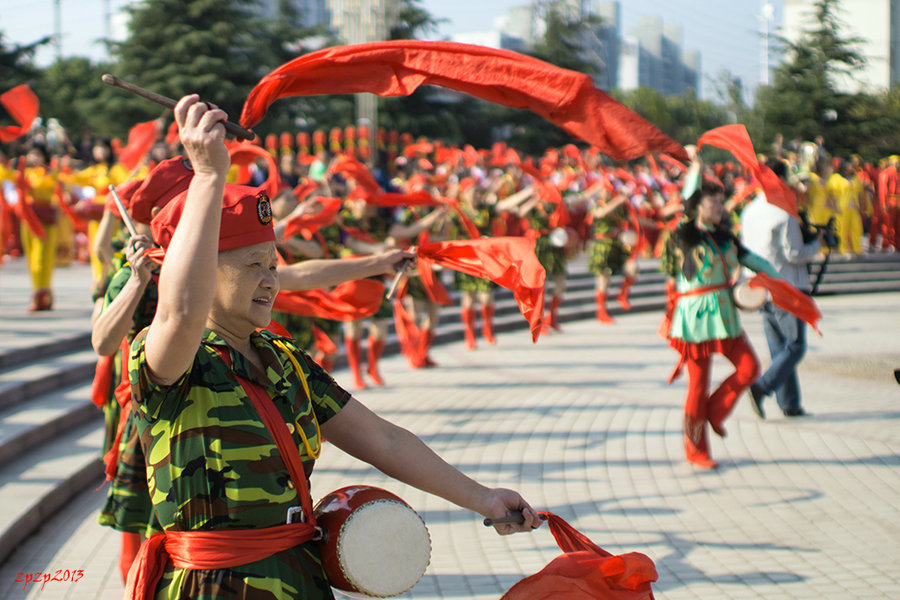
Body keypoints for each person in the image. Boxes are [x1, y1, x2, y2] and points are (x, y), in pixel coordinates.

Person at [125, 96, 541, 598]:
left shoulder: (285, 362)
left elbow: (385, 442)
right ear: (201, 271)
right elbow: (180, 313)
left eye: (273, 266)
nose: (271, 281)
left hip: (300, 581)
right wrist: (209, 176)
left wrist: (484, 498)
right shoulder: (173, 360)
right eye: (252, 265)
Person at [661, 158, 783, 470]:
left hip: (725, 314)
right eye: (712, 202)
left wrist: (784, 286)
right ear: (698, 206)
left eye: (720, 202)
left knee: (749, 367)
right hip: (695, 317)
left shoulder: (726, 237)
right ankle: (695, 448)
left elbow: (757, 262)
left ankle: (714, 413)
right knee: (697, 386)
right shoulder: (686, 234)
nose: (719, 207)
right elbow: (687, 199)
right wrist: (697, 168)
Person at [740, 159, 823, 419]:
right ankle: (761, 387)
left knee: (779, 349)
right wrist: (817, 243)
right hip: (787, 287)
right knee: (795, 347)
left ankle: (789, 404)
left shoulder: (749, 210)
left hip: (760, 288)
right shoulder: (783, 211)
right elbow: (794, 253)